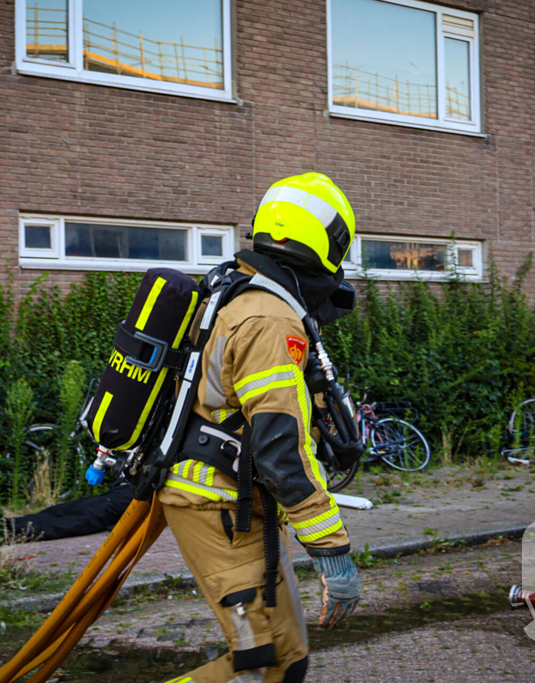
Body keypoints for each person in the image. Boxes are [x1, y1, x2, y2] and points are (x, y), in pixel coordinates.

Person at [157, 173, 362, 683]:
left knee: (286, 660)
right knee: (256, 658)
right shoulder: (269, 319)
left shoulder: (245, 291)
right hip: (215, 509)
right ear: (325, 244)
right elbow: (280, 450)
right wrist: (331, 552)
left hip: (238, 505)